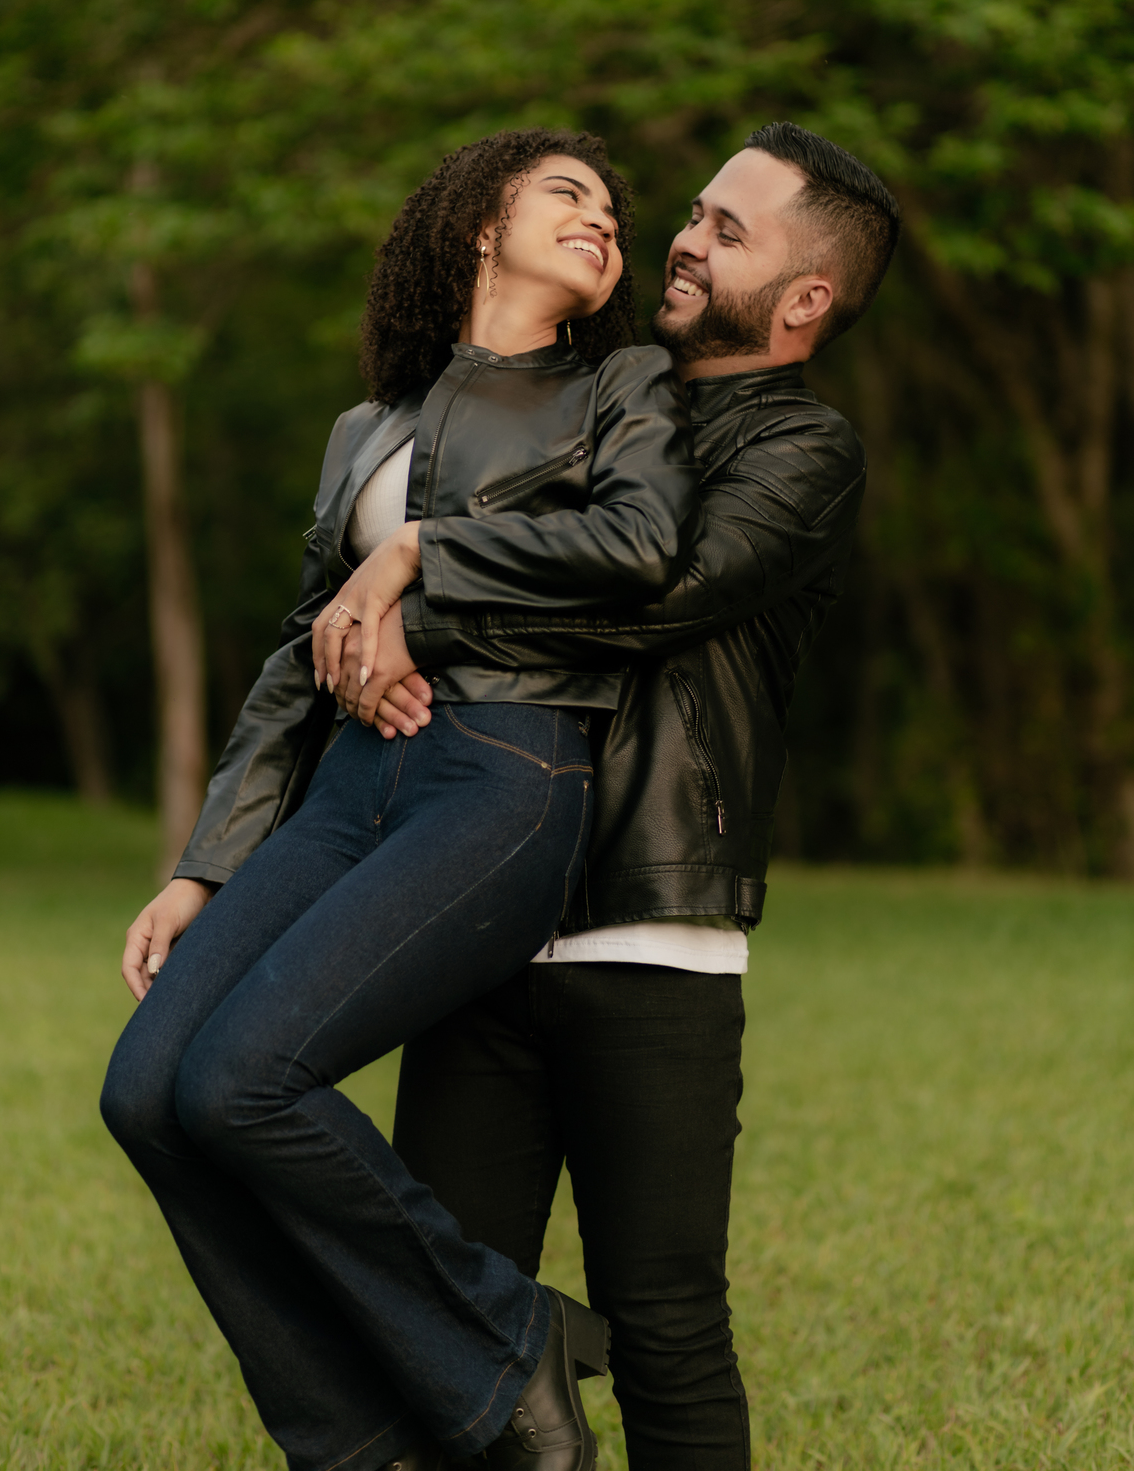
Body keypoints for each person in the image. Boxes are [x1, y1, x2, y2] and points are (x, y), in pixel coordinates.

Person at [100, 126, 701, 1471]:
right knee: (147, 1090)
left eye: (615, 214)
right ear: (482, 222)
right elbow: (298, 657)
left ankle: (501, 1340)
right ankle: (362, 1438)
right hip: (346, 791)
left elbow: (642, 543)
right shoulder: (363, 430)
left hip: (506, 769)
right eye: (570, 195)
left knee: (245, 1082)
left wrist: (422, 555)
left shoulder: (619, 386)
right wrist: (203, 867)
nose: (606, 223)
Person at [333, 122, 901, 1471]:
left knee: (667, 1329)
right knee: (447, 1334)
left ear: (807, 299)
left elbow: (661, 595)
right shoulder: (580, 399)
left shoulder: (803, 451)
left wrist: (421, 581)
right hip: (474, 906)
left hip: (650, 934)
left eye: (727, 230)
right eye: (693, 214)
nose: (684, 243)